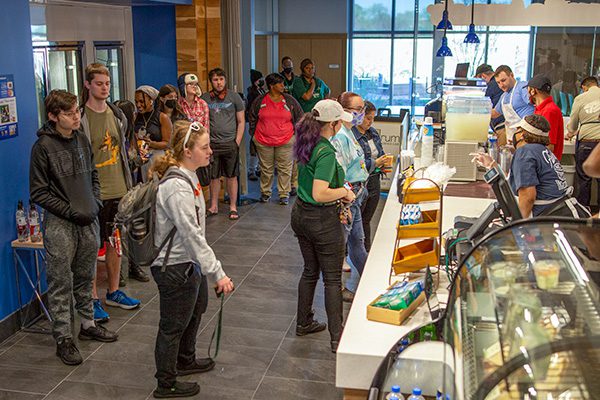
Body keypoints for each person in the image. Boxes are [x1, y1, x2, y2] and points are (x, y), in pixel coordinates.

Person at [30, 89, 118, 365]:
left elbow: (93, 173)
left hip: (88, 219)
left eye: (77, 111)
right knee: (60, 282)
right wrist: (71, 211)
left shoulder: (81, 138)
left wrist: (95, 202)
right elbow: (38, 192)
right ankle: (63, 338)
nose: (76, 117)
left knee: (85, 275)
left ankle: (88, 325)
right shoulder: (42, 148)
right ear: (54, 117)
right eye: (69, 114)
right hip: (60, 224)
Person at [149, 120, 234, 398]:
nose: (211, 151)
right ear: (187, 150)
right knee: (172, 326)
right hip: (173, 267)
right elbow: (192, 235)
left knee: (197, 308)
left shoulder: (190, 175)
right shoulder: (177, 187)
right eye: (205, 147)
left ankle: (185, 359)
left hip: (188, 263)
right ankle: (166, 383)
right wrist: (217, 272)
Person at [291, 99, 355, 353]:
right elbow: (320, 193)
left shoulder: (308, 141)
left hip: (300, 216)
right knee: (331, 279)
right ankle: (337, 338)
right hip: (321, 220)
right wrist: (344, 192)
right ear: (334, 124)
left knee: (309, 271)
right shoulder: (326, 151)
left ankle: (303, 322)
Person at [80, 63, 140, 323]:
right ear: (88, 85)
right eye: (99, 83)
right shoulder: (80, 118)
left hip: (119, 189)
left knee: (116, 243)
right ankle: (92, 298)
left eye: (107, 83)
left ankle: (113, 291)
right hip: (94, 194)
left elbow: (123, 149)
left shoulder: (117, 115)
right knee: (93, 247)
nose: (104, 88)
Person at [472, 114, 590, 218]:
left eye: (517, 130)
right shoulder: (542, 151)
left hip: (547, 217)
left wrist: (517, 226)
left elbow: (528, 197)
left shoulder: (525, 152)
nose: (514, 134)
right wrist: (491, 165)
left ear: (522, 134)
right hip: (562, 212)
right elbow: (519, 180)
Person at [331, 92, 370, 302]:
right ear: (344, 111)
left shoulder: (350, 132)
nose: (362, 114)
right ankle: (336, 287)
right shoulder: (340, 137)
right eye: (358, 110)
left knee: (357, 242)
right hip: (348, 197)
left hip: (356, 195)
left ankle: (367, 282)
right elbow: (339, 173)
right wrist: (347, 199)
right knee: (343, 244)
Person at [248, 73, 303, 205]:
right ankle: (265, 193)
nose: (283, 86)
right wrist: (254, 135)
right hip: (263, 140)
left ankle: (284, 194)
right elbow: (252, 117)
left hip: (286, 140)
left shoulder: (289, 100)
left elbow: (300, 117)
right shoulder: (260, 101)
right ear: (272, 86)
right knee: (266, 169)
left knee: (285, 168)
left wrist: (295, 136)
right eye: (280, 83)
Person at [200, 68, 245, 220]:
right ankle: (213, 206)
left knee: (231, 176)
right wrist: (206, 144)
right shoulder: (205, 98)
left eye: (220, 79)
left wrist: (237, 141)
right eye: (215, 80)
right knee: (214, 177)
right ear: (211, 81)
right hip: (212, 144)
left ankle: (233, 206)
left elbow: (241, 121)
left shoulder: (234, 97)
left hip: (230, 143)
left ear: (225, 80)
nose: (218, 83)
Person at [352, 101, 387, 252]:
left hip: (374, 180)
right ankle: (351, 253)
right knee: (354, 221)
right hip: (360, 182)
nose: (370, 121)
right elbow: (354, 164)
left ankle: (366, 251)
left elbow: (380, 152)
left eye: (373, 118)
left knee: (366, 220)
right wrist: (375, 162)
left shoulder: (373, 132)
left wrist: (384, 162)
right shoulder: (351, 136)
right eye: (367, 118)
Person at [567, 76, 600, 207]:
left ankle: (584, 213)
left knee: (584, 179)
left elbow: (573, 123)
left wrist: (571, 131)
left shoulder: (580, 98)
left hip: (587, 142)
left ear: (584, 87)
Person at [177, 73, 211, 188]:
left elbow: (206, 129)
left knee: (200, 182)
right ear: (183, 87)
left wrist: (206, 147)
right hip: (183, 148)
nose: (194, 86)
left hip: (199, 147)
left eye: (195, 84)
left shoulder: (203, 104)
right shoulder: (178, 105)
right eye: (190, 84)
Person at [491, 65, 535, 140]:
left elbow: (535, 103)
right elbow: (495, 113)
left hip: (527, 135)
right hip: (512, 136)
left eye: (503, 80)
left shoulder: (522, 87)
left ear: (511, 75)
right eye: (498, 82)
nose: (501, 85)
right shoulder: (504, 96)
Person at [527, 74, 564, 160]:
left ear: (533, 91)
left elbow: (549, 146)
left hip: (546, 165)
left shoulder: (549, 111)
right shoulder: (539, 109)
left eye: (528, 89)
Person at [134, 85, 172, 160]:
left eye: (141, 101)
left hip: (157, 159)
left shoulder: (162, 117)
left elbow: (167, 143)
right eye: (136, 101)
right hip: (139, 159)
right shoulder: (135, 117)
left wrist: (152, 144)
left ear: (151, 101)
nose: (138, 105)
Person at [476, 64, 506, 145]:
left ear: (483, 76)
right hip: (503, 125)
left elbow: (485, 106)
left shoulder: (492, 85)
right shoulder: (497, 85)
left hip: (502, 126)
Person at [245, 69, 266, 181]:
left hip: (263, 123)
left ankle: (258, 168)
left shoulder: (261, 91)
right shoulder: (252, 93)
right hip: (256, 122)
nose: (262, 81)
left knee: (261, 147)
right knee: (254, 146)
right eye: (259, 79)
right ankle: (251, 170)